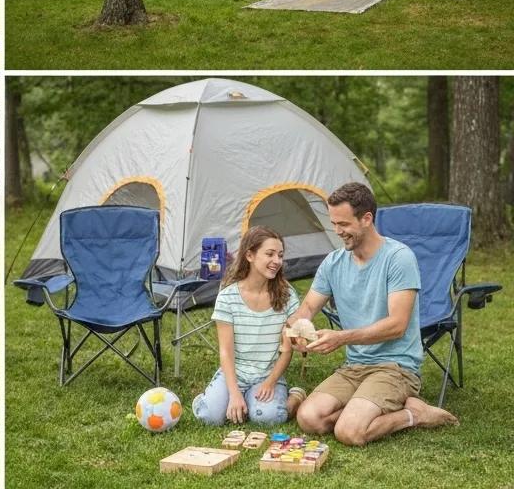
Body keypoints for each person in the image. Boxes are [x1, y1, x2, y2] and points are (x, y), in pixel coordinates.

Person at [289, 182, 458, 446]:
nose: (337, 231)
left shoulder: (398, 258)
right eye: (334, 224)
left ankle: (414, 413)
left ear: (366, 218)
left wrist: (342, 338)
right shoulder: (333, 262)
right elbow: (308, 307)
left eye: (343, 224)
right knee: (308, 418)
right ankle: (361, 407)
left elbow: (397, 325)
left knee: (349, 433)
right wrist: (297, 327)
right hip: (354, 367)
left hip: (395, 367)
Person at [193, 226, 307, 426]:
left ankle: (294, 397)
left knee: (268, 418)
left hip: (268, 375)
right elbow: (226, 352)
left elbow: (289, 349)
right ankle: (219, 400)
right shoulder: (228, 297)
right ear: (250, 255)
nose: (277, 261)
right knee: (209, 418)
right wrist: (235, 393)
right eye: (269, 254)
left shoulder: (287, 295)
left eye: (280, 255)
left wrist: (270, 381)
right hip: (234, 373)